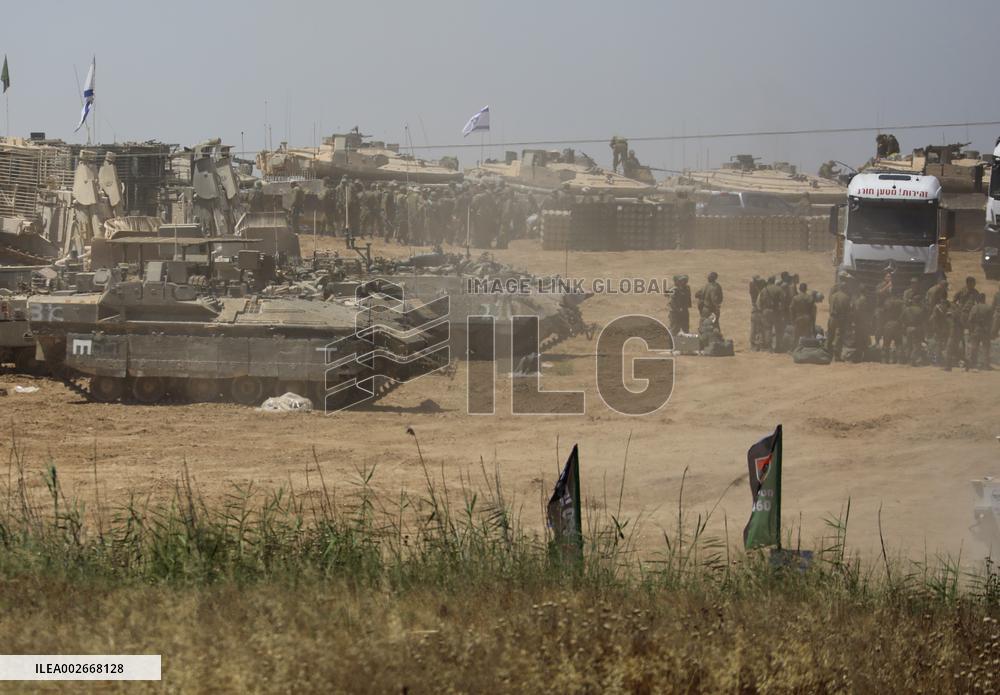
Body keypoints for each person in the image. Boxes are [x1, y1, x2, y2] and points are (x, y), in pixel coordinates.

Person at [827, 277, 852, 361]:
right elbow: (848, 311)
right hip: (840, 320)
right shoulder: (846, 298)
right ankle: (836, 356)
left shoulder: (833, 296)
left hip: (831, 318)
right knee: (838, 337)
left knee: (830, 335)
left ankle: (827, 353)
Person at [967, 293, 993, 370]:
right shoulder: (989, 308)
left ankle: (972, 363)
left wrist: (971, 329)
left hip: (976, 329)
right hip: (985, 330)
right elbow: (991, 320)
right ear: (984, 299)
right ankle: (986, 364)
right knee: (986, 347)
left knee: (974, 347)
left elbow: (970, 319)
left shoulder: (975, 307)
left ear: (978, 299)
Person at [789, 282, 816, 347]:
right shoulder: (810, 298)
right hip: (807, 317)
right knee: (807, 334)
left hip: (798, 317)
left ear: (799, 289)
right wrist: (813, 320)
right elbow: (813, 311)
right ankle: (806, 348)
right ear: (806, 289)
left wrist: (792, 318)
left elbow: (791, 308)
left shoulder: (795, 298)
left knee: (796, 334)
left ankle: (794, 348)